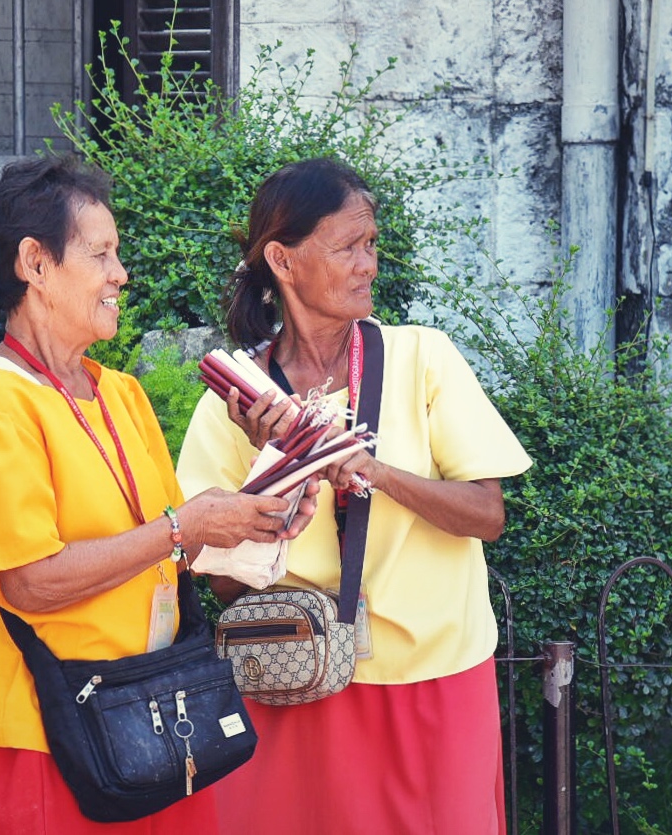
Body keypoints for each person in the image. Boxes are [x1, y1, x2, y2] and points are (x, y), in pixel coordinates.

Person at [0, 155, 316, 835]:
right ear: (36, 263)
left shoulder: (123, 393)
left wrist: (259, 518)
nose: (121, 274)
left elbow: (174, 554)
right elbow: (28, 583)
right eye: (101, 253)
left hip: (157, 716)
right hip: (48, 733)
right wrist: (184, 526)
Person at [177, 157, 531, 834]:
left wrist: (373, 470)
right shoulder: (234, 403)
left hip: (435, 678)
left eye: (371, 245)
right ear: (282, 259)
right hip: (295, 675)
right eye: (348, 247)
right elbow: (219, 585)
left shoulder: (423, 357)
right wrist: (271, 468)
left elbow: (488, 514)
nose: (369, 264)